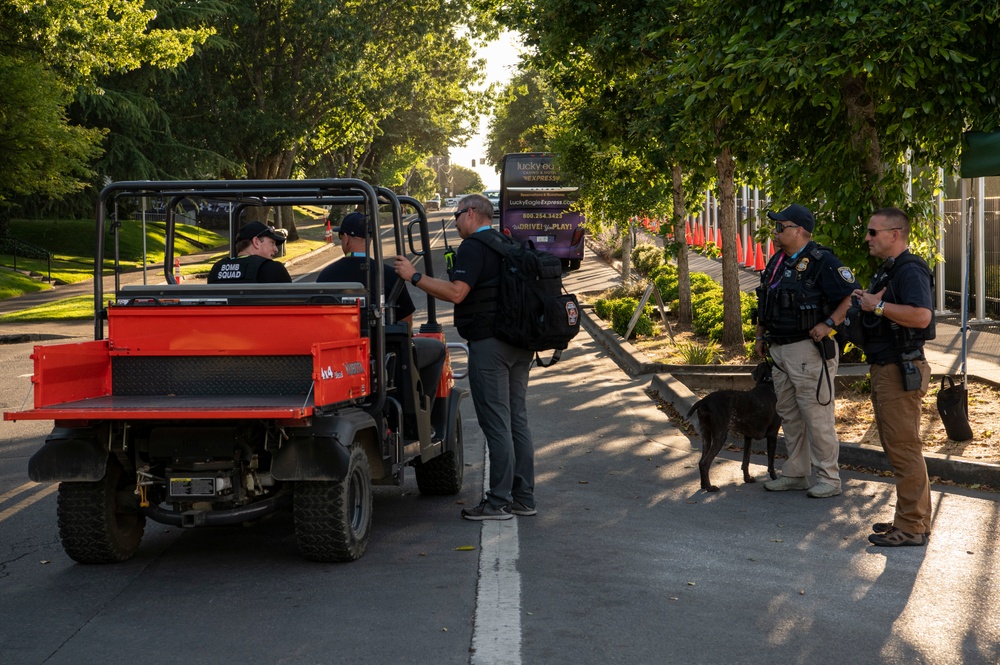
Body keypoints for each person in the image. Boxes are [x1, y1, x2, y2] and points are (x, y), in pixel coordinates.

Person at [393, 194, 535, 521]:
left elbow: (457, 293)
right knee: (517, 421)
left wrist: (414, 277)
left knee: (497, 423)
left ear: (471, 213)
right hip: (520, 344)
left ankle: (498, 502)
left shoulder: (474, 246)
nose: (455, 222)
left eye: (457, 215)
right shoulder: (507, 242)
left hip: (490, 345)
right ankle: (524, 498)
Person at [755, 203, 860, 498]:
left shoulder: (822, 261)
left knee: (817, 416)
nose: (774, 233)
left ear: (799, 231)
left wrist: (829, 324)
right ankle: (796, 473)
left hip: (807, 350)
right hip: (779, 348)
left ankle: (829, 477)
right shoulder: (779, 261)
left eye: (780, 227)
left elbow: (853, 294)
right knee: (789, 414)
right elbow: (766, 302)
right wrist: (760, 336)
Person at [853, 207, 934, 547]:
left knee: (903, 448)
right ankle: (910, 518)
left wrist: (878, 307)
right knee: (897, 446)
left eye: (874, 232)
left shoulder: (910, 270)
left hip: (901, 369)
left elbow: (921, 316)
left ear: (894, 234)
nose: (868, 238)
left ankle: (913, 527)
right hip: (889, 367)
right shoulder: (892, 270)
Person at [318, 212, 445, 408]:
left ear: (346, 238)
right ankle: (422, 406)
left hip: (337, 353)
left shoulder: (326, 275)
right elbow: (406, 319)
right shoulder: (387, 274)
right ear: (370, 240)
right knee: (437, 349)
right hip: (383, 351)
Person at [208, 220, 291, 283]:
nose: (276, 249)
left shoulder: (217, 269)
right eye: (272, 243)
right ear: (256, 242)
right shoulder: (274, 269)